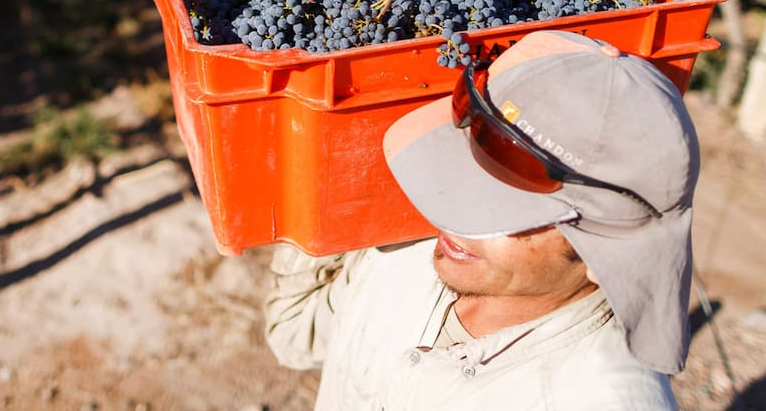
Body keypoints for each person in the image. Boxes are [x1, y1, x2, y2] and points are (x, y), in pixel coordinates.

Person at [263, 29, 701, 409]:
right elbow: (295, 336)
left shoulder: (591, 398)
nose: (455, 214)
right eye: (470, 171)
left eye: (502, 207)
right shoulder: (415, 248)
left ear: (601, 256)